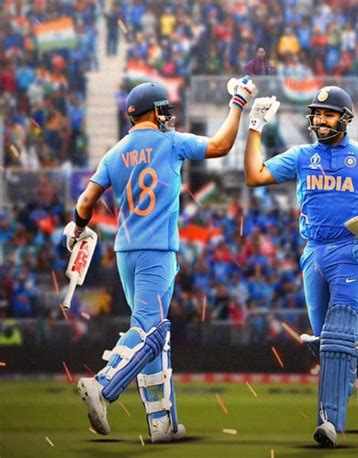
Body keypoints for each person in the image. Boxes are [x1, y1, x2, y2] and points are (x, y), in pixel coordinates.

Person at [64, 78, 256, 442]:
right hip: (158, 250)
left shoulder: (114, 153)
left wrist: (77, 228)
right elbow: (221, 145)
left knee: (155, 334)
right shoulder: (171, 142)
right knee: (149, 330)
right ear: (153, 112)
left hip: (126, 251)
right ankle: (103, 385)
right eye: (163, 110)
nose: (167, 116)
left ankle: (162, 423)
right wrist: (238, 102)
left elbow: (86, 202)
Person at [244, 86, 358, 447]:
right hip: (313, 253)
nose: (320, 120)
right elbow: (254, 176)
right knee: (325, 344)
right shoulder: (302, 156)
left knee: (335, 340)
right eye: (317, 114)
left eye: (328, 114)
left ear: (345, 119)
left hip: (353, 250)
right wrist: (254, 126)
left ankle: (329, 422)